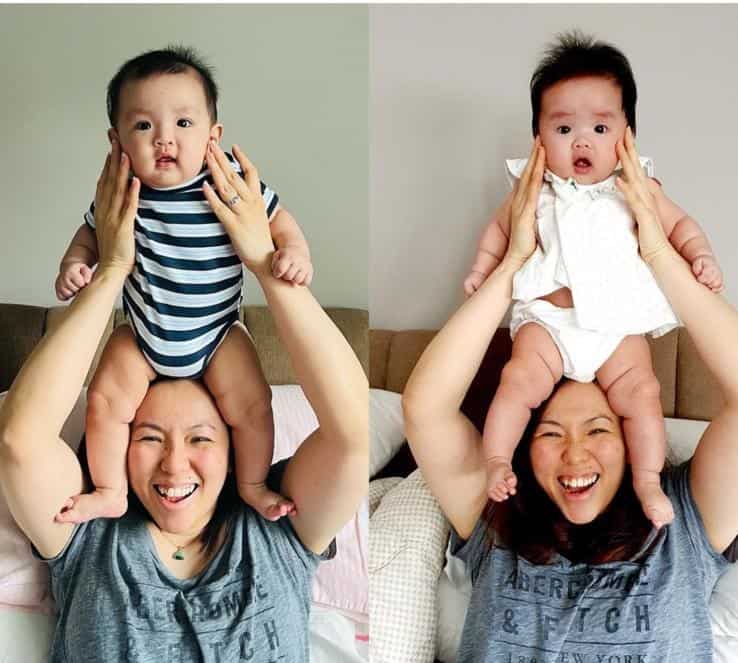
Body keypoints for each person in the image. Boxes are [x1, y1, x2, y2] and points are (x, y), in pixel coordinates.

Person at [0, 136, 367, 661]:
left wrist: (266, 264)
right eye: (148, 437)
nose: (174, 464)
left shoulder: (279, 527)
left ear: (235, 444)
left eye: (200, 437)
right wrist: (110, 272)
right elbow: (20, 440)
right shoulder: (88, 535)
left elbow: (350, 433)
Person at [404, 132, 737, 661]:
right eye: (551, 433)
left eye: (599, 430)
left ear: (633, 440)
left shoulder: (685, 524)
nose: (574, 455)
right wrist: (512, 264)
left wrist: (656, 250)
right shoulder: (497, 516)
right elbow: (423, 408)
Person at [461, 33, 723, 529]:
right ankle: (495, 461)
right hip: (550, 320)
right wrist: (481, 269)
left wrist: (700, 256)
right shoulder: (534, 189)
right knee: (517, 381)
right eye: (563, 128)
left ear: (627, 134)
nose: (581, 140)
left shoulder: (638, 188)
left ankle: (648, 479)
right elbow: (497, 232)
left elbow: (682, 226)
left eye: (600, 126)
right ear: (538, 136)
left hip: (618, 325)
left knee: (642, 392)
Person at [53, 47, 314, 524]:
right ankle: (111, 490)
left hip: (218, 332)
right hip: (141, 332)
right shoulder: (121, 190)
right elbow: (88, 235)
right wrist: (75, 264)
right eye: (144, 126)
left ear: (214, 135)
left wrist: (293, 252)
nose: (164, 139)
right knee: (105, 400)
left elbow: (280, 223)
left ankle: (253, 483)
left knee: (253, 403)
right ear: (117, 141)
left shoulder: (227, 183)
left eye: (184, 124)